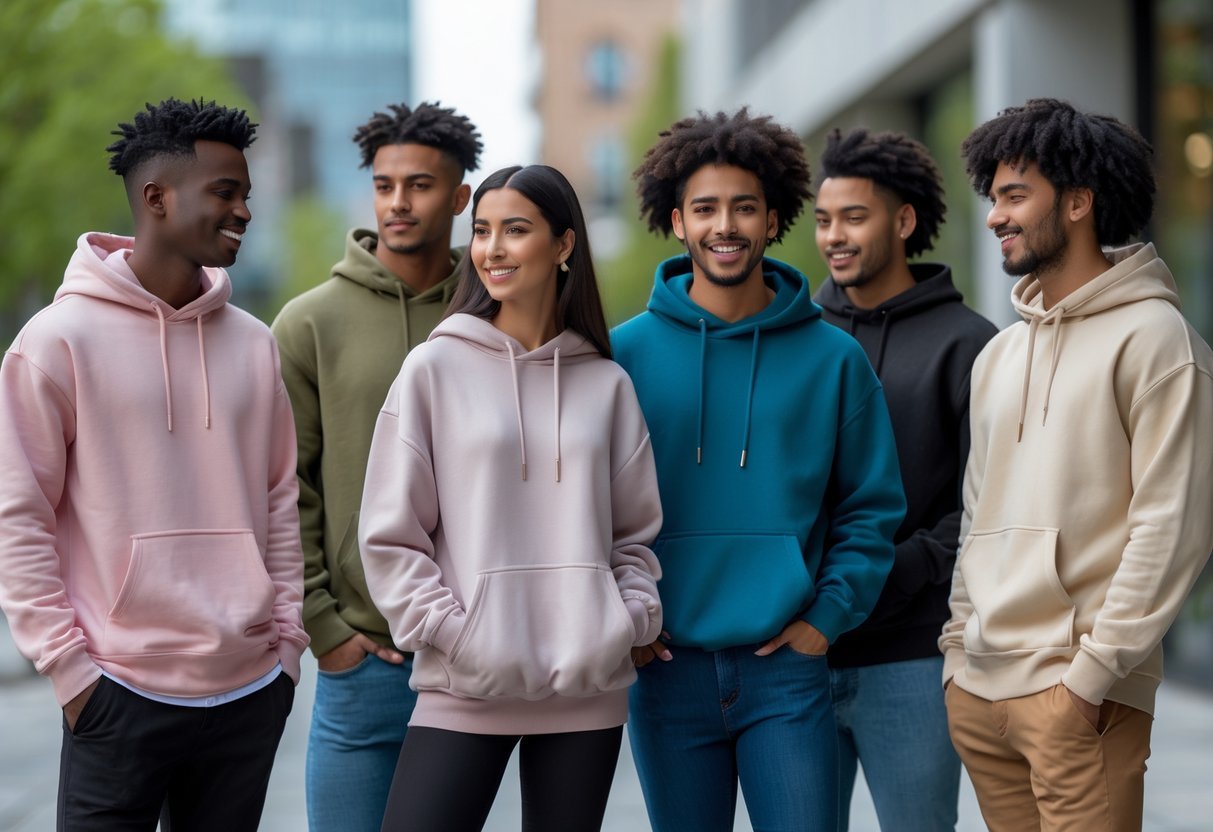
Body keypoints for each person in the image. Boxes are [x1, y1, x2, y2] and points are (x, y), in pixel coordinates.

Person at [0, 98, 307, 831]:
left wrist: (285, 652)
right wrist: (71, 673)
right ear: (157, 198)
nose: (244, 212)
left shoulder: (254, 344)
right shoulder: (56, 340)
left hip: (246, 693)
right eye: (225, 193)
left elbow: (277, 500)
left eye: (246, 195)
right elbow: (20, 516)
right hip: (117, 693)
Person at [612, 109, 905, 832]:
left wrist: (825, 619)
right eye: (705, 209)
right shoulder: (622, 356)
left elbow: (871, 507)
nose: (725, 226)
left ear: (773, 220)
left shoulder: (834, 359)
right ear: (675, 222)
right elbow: (586, 507)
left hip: (787, 671)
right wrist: (625, 619)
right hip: (664, 667)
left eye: (744, 207)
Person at [358, 164, 664, 832]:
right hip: (464, 682)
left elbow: (632, 534)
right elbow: (390, 532)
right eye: (482, 231)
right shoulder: (434, 369)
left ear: (562, 245)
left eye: (515, 231)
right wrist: (453, 634)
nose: (491, 249)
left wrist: (629, 616)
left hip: (586, 687)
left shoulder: (606, 383)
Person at [941, 97, 1213, 832]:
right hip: (980, 689)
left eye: (1014, 196)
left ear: (1078, 202)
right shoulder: (999, 354)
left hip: (1079, 697)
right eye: (991, 197)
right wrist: (955, 658)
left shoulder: (1158, 341)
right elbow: (977, 514)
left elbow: (1173, 525)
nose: (995, 215)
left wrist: (1090, 680)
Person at [270, 100, 481, 831]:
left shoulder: (498, 314)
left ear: (459, 198)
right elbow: (280, 487)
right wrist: (322, 627)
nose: (398, 201)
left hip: (471, 658)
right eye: (385, 184)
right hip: (362, 660)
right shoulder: (307, 322)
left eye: (420, 185)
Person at [812, 127, 997, 831]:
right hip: (798, 654)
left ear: (903, 220)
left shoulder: (970, 344)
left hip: (914, 658)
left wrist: (899, 569)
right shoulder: (797, 332)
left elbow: (988, 503)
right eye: (825, 220)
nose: (834, 236)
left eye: (853, 217)